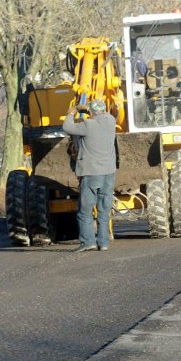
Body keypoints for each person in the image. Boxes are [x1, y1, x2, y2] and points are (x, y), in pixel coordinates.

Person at [63, 99, 116, 252]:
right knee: (104, 209)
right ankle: (104, 243)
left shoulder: (88, 125)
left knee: (85, 210)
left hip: (92, 173)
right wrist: (88, 110)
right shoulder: (110, 121)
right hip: (109, 173)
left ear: (91, 113)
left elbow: (67, 127)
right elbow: (100, 115)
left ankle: (88, 242)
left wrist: (71, 112)